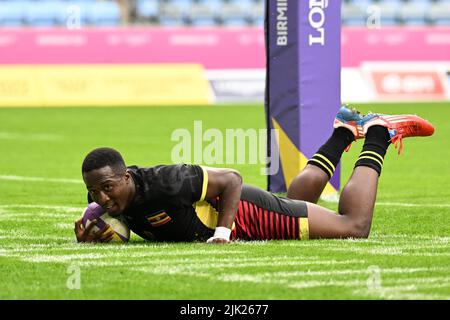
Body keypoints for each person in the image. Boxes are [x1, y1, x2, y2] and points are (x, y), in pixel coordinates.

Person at [74, 106, 434, 244]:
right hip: (243, 214)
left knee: (353, 226)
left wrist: (223, 233)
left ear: (125, 179)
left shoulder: (166, 182)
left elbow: (232, 178)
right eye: (94, 193)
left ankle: (376, 133)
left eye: (107, 189)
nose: (102, 199)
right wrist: (88, 229)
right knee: (299, 202)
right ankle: (343, 131)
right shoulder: (107, 200)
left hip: (250, 216)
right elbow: (99, 213)